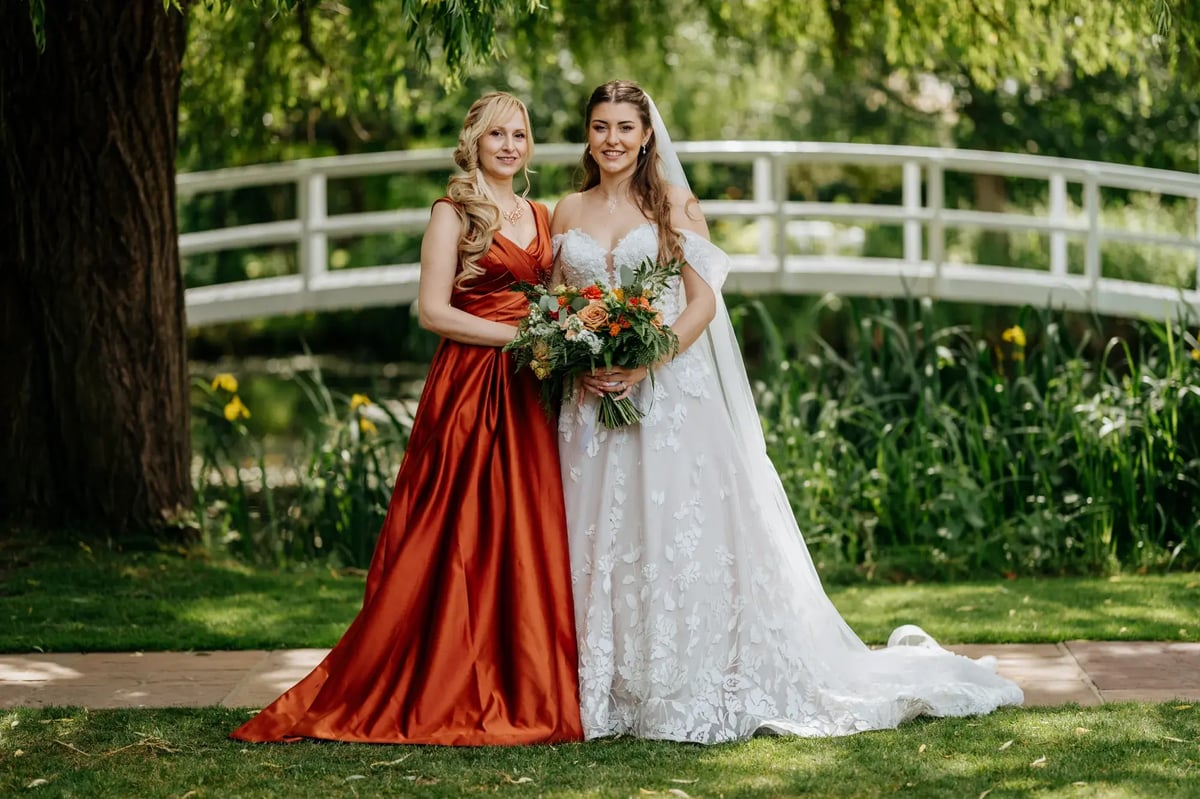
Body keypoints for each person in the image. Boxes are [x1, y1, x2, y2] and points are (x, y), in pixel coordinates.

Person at [550, 80, 1023, 744]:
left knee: (663, 531)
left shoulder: (675, 206)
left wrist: (644, 357)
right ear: (587, 133)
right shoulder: (565, 211)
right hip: (588, 401)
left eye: (625, 127)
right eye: (600, 126)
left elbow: (701, 303)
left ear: (647, 134)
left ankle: (673, 682)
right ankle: (602, 683)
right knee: (599, 538)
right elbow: (555, 304)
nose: (612, 140)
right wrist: (578, 353)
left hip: (664, 393)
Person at [231, 92, 583, 745]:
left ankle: (524, 669)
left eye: (519, 134)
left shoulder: (540, 213)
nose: (509, 145)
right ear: (474, 140)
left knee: (523, 529)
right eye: (497, 134)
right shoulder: (452, 214)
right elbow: (432, 311)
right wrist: (515, 339)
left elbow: (554, 299)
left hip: (528, 391)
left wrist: (568, 334)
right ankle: (441, 666)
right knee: (456, 528)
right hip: (471, 386)